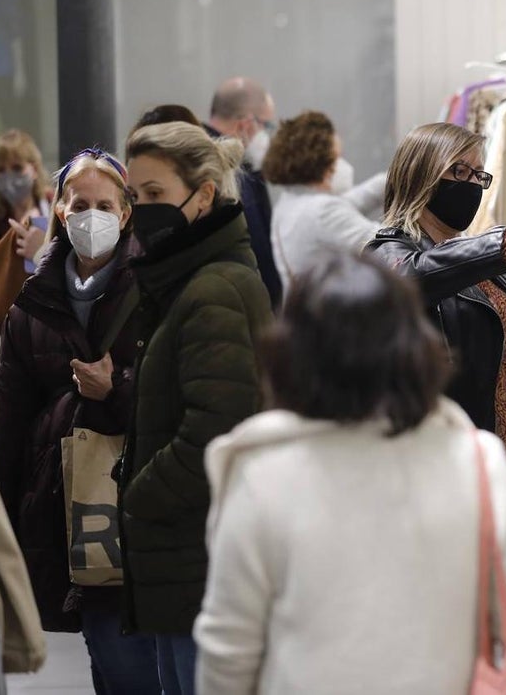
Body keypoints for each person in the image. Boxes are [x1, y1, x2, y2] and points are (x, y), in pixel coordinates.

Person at [194, 253, 506, 694]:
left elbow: (229, 652)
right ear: (414, 347)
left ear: (290, 356)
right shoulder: (474, 463)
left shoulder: (260, 475)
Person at [0, 148, 160, 694]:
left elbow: (173, 397)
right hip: (59, 503)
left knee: (122, 654)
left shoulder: (153, 290)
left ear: (125, 214)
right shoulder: (33, 304)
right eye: (79, 205)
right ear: (60, 210)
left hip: (132, 499)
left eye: (105, 206)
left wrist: (115, 390)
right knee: (103, 652)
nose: (91, 217)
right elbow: (8, 420)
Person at [120, 121, 272, 695]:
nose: (141, 210)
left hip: (199, 555)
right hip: (188, 554)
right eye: (135, 196)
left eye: (155, 193)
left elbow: (215, 432)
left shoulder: (212, 290)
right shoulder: (189, 281)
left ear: (203, 194)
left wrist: (140, 495)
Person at [366, 123, 506, 515]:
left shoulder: (477, 260)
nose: (471, 184)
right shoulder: (387, 255)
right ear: (421, 173)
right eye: (459, 171)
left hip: (504, 462)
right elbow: (417, 276)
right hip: (439, 466)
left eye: (478, 174)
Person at [264, 110, 384, 291]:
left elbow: (350, 202)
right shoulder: (322, 211)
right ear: (320, 162)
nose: (341, 166)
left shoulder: (290, 202)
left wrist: (391, 179)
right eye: (336, 158)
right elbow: (386, 244)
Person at [204, 77, 282, 308]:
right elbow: (257, 246)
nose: (268, 135)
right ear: (246, 124)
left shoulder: (203, 158)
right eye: (267, 126)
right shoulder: (229, 171)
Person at [0, 130, 55, 328]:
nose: (9, 177)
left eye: (17, 167)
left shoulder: (56, 206)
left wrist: (42, 249)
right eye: (0, 170)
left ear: (34, 169)